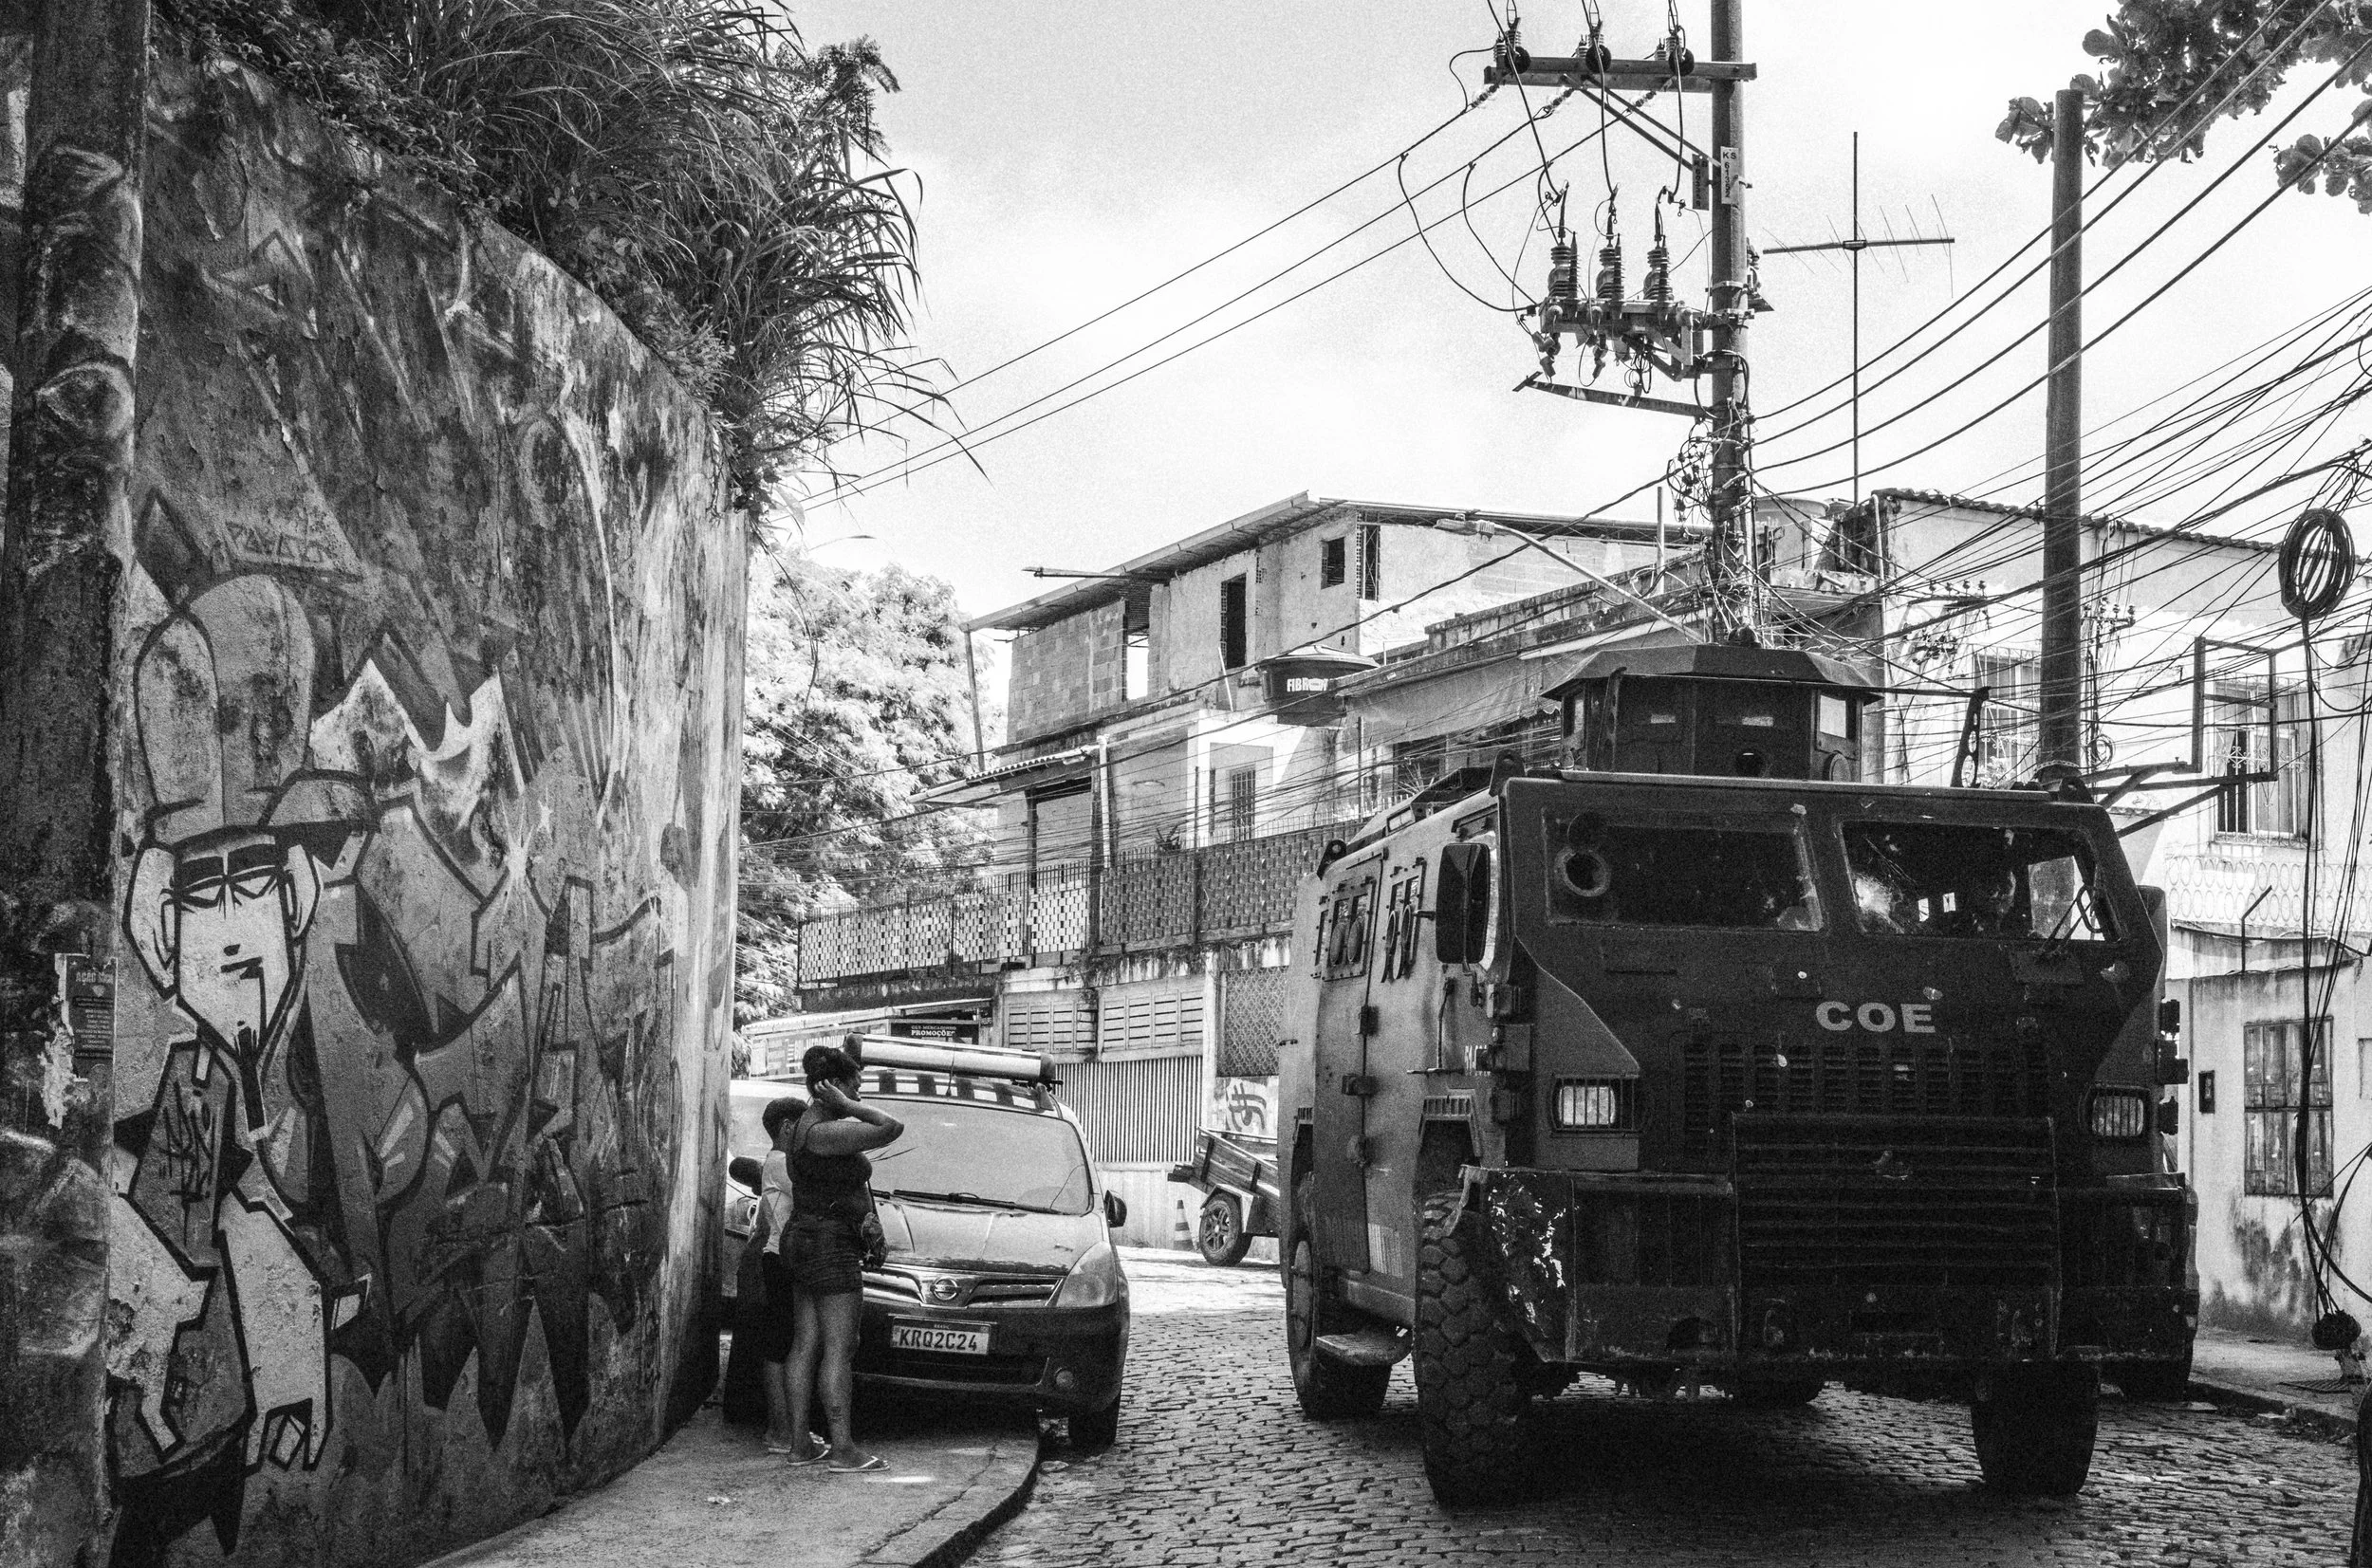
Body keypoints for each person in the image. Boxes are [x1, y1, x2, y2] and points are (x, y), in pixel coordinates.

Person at [784, 1042, 904, 1472]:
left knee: (807, 1343)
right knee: (840, 1348)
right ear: (834, 1087)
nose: (859, 1095)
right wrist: (850, 1105)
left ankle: (800, 1444)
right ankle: (843, 1448)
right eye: (855, 1086)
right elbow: (892, 1126)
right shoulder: (823, 1131)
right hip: (827, 1244)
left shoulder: (805, 1126)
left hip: (805, 1237)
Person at [754, 1094, 807, 1453]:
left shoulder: (779, 1162)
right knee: (780, 1346)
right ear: (788, 1127)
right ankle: (780, 1431)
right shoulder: (781, 1163)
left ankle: (786, 1429)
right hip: (780, 1259)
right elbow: (813, 1191)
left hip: (781, 1258)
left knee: (785, 1344)